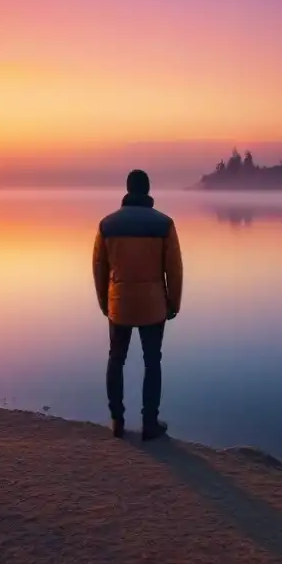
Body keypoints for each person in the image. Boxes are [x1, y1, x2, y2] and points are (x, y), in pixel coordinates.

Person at [92, 170, 183, 440]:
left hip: (119, 304)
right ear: (148, 190)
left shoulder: (107, 225)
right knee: (152, 362)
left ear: (128, 189)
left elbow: (99, 267)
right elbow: (174, 270)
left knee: (116, 359)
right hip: (153, 307)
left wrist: (104, 302)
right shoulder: (164, 224)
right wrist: (173, 303)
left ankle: (117, 421)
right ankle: (149, 423)